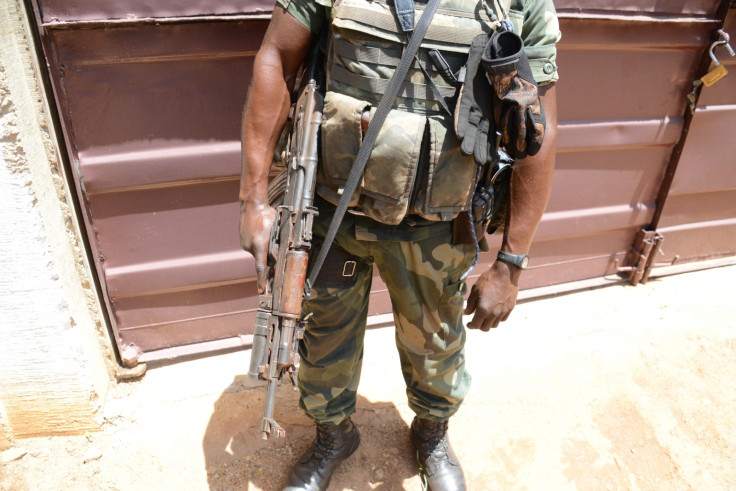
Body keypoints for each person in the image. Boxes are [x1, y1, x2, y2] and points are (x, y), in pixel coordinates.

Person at [239, 0, 560, 489]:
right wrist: (253, 198)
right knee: (322, 343)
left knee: (436, 348)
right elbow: (276, 60)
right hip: (331, 217)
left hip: (439, 226)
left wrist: (511, 262)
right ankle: (333, 435)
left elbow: (538, 130)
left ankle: (431, 433)